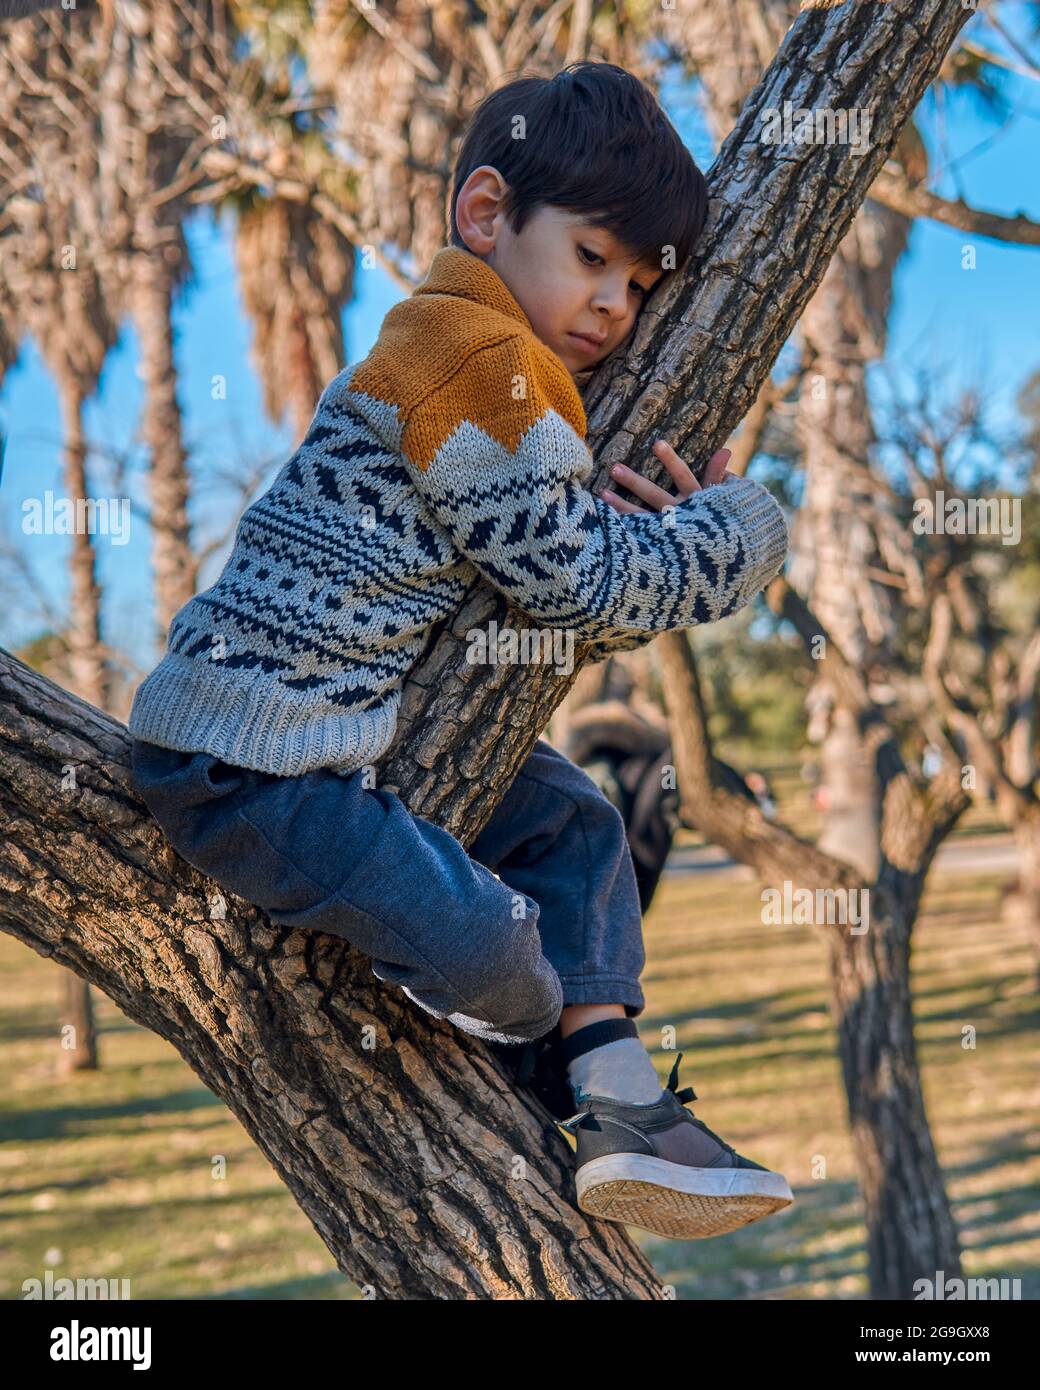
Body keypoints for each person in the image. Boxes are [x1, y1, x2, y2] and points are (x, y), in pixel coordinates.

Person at [128, 62, 792, 1240]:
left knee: (574, 823)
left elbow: (558, 572)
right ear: (484, 214)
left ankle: (619, 1093)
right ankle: (552, 1057)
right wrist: (733, 536)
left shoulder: (491, 361)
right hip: (248, 763)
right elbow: (576, 588)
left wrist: (639, 539)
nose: (614, 309)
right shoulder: (471, 359)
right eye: (592, 258)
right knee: (498, 955)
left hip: (351, 732)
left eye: (637, 284)